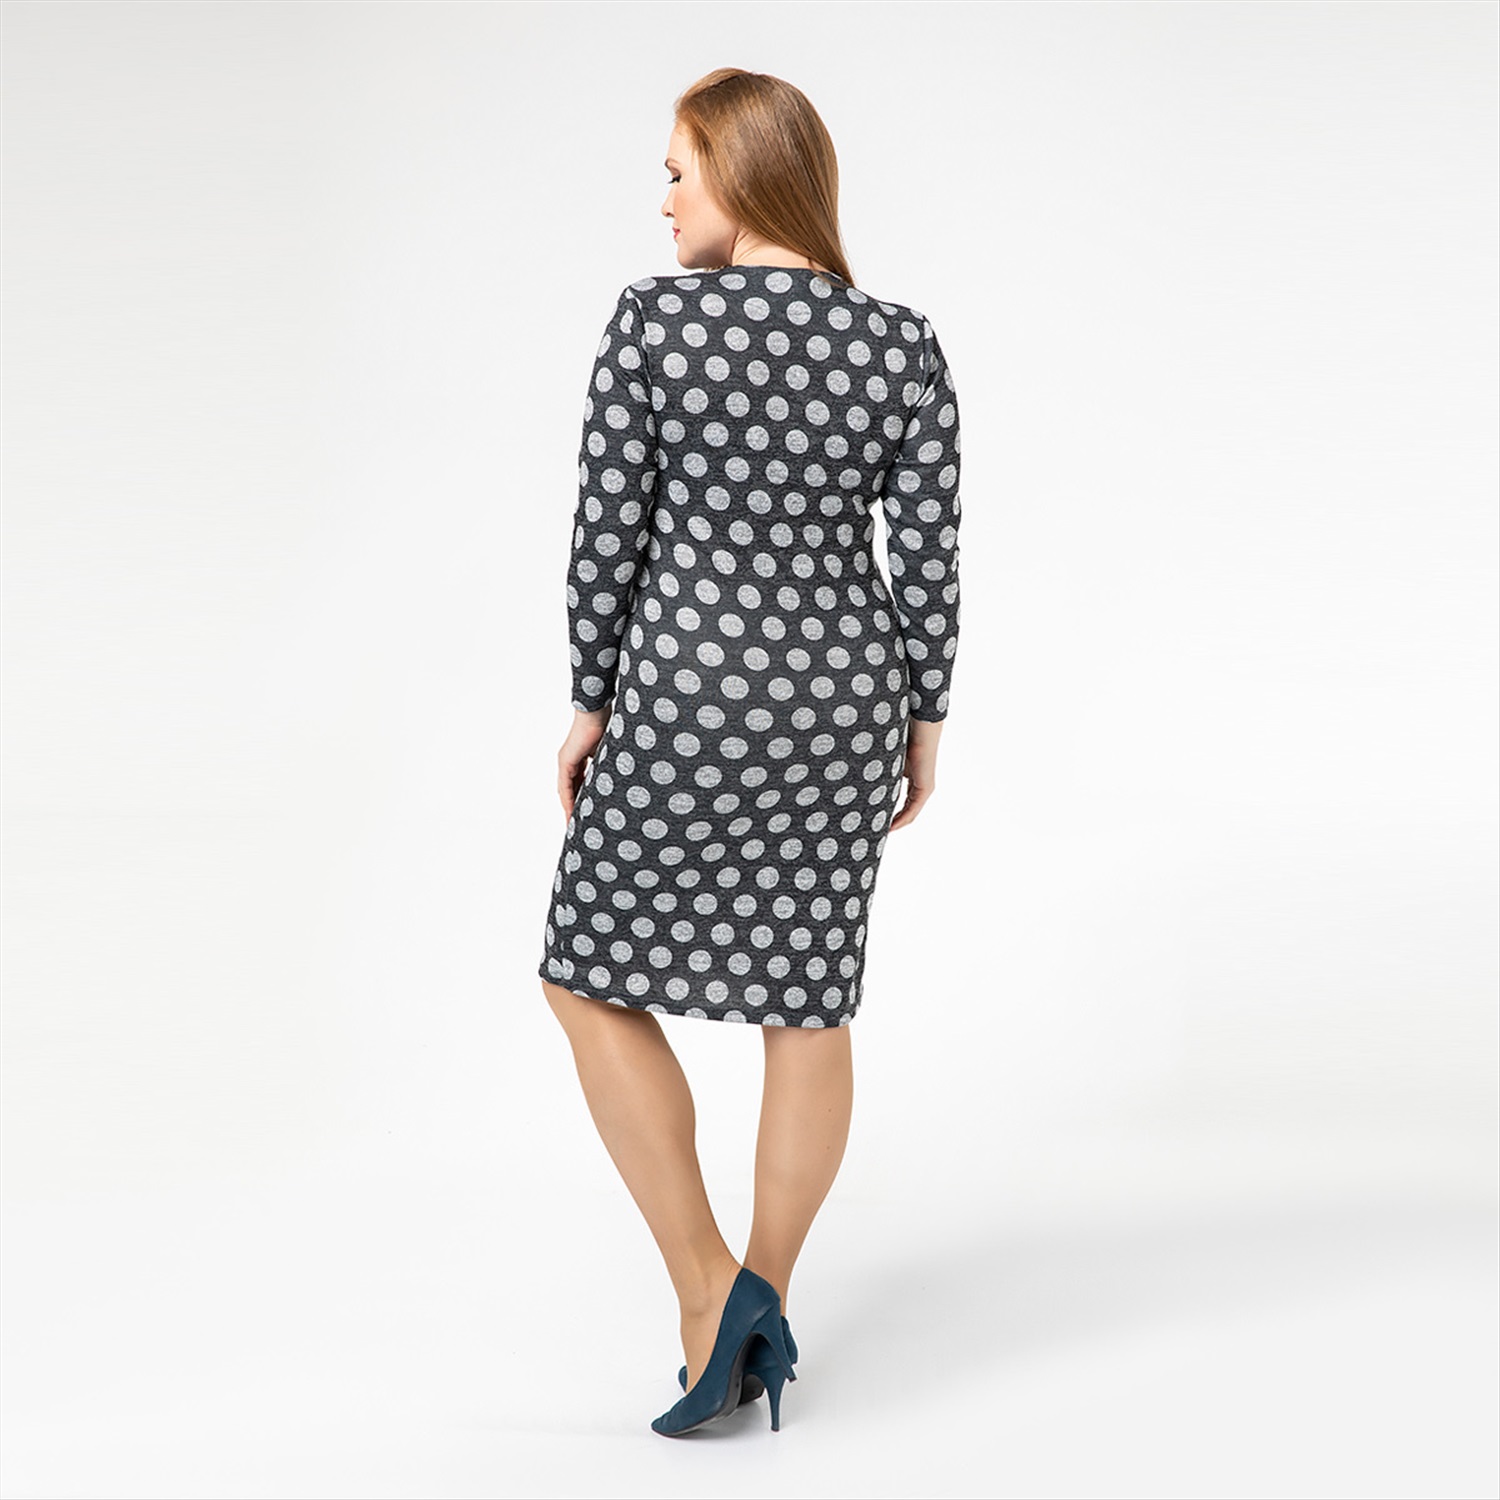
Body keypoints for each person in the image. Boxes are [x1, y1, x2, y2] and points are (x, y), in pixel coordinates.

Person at [537, 67, 962, 1436]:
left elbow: (608, 533)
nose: (663, 200)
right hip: (843, 706)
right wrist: (923, 722)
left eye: (678, 171)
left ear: (740, 170)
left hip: (687, 694)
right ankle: (761, 1293)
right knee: (808, 1006)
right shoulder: (899, 345)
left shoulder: (655, 325)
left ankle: (706, 1291)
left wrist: (591, 698)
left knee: (585, 977)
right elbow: (929, 561)